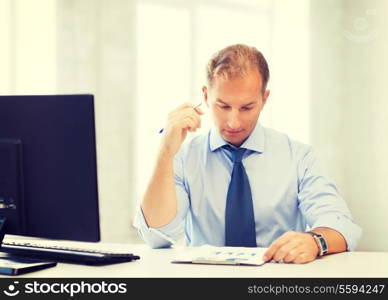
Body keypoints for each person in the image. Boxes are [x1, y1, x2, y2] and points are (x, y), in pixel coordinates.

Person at [135, 44, 361, 264]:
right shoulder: (184, 157)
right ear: (205, 96)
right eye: (223, 106)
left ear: (264, 99)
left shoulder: (299, 156)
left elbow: (342, 226)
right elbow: (157, 237)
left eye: (247, 108)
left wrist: (315, 241)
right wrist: (165, 152)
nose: (234, 122)